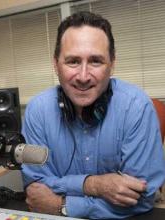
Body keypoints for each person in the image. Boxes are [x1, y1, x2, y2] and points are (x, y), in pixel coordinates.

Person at [21, 11, 165, 219]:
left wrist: (61, 204)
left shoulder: (136, 106)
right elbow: (35, 187)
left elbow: (140, 198)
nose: (83, 76)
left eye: (96, 61)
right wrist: (95, 185)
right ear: (55, 64)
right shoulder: (37, 111)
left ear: (112, 64)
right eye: (73, 61)